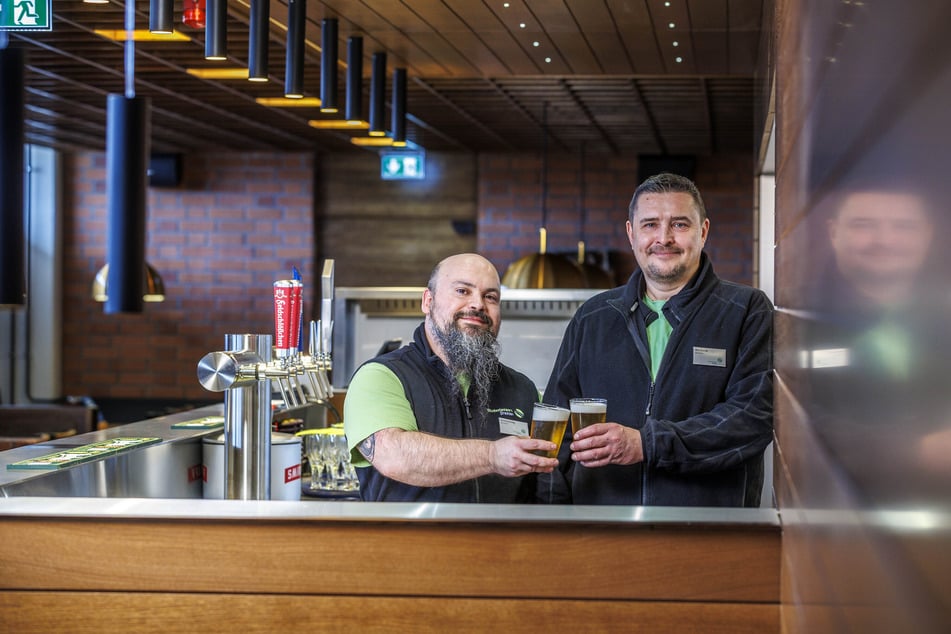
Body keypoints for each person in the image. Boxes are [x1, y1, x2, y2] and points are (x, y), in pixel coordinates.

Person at [542, 172, 774, 507]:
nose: (664, 238)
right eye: (650, 224)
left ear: (703, 231)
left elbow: (752, 418)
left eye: (679, 224)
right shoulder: (592, 318)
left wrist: (647, 444)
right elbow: (556, 431)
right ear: (631, 233)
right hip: (601, 526)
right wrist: (551, 518)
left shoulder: (747, 311)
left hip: (709, 528)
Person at [343, 253, 558, 502]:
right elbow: (394, 455)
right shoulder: (382, 377)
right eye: (462, 291)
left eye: (490, 297)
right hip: (409, 529)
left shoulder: (522, 389)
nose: (478, 304)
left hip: (506, 530)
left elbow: (547, 478)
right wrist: (491, 455)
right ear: (428, 301)